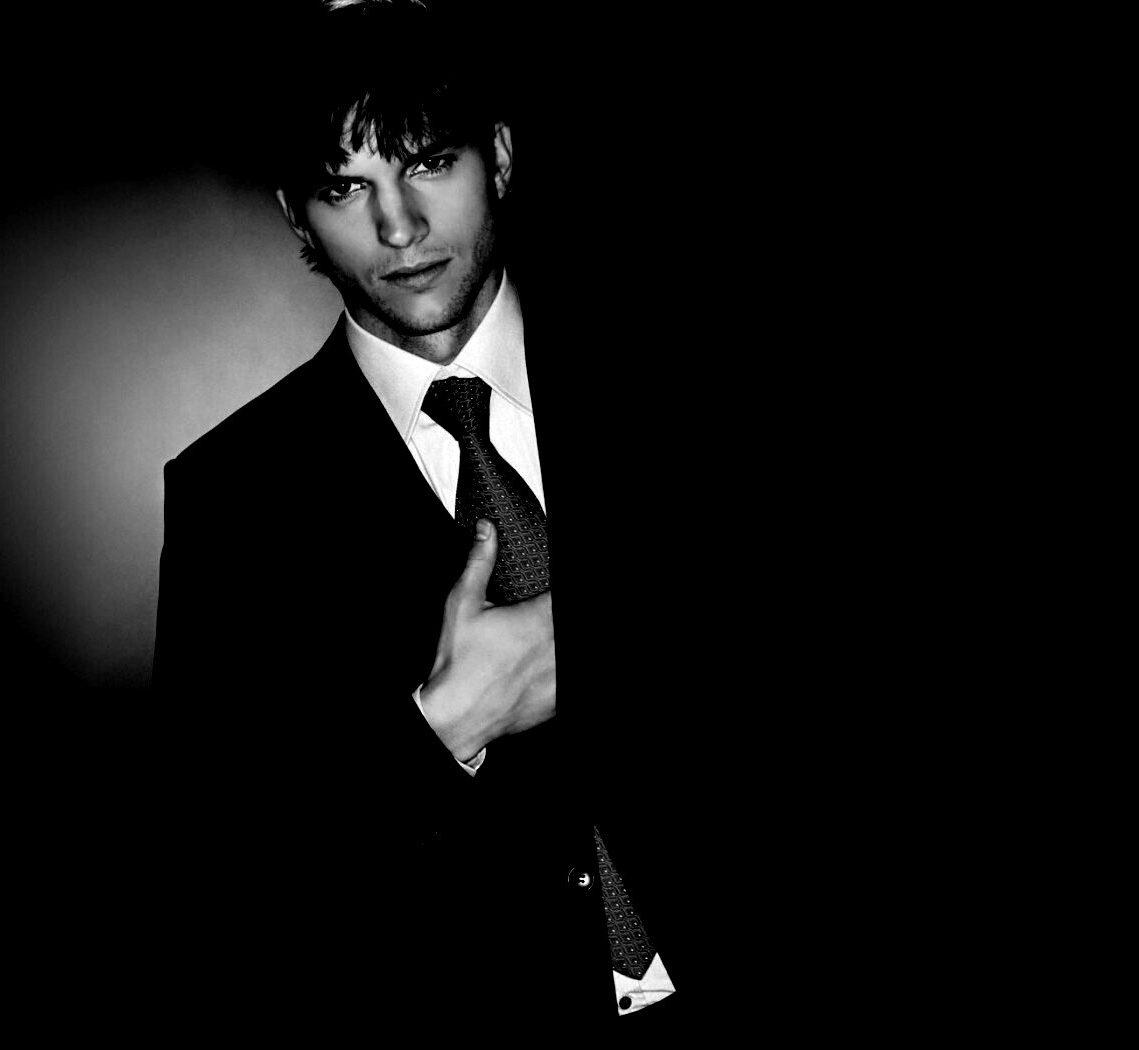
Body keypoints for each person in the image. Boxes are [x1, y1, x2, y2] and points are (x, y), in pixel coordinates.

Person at [153, 0, 711, 1033]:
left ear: (499, 157)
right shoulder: (232, 501)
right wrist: (442, 729)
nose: (398, 228)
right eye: (343, 188)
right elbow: (220, 896)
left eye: (426, 163)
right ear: (296, 218)